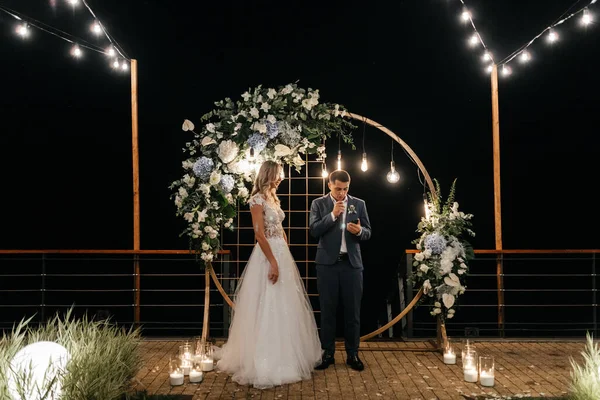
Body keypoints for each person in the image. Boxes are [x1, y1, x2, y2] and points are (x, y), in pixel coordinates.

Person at [217, 160, 321, 389]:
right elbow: (259, 235)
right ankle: (265, 359)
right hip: (267, 256)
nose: (281, 178)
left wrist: (285, 250)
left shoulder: (273, 198)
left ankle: (287, 354)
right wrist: (273, 262)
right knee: (267, 302)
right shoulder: (257, 200)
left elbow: (279, 229)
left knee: (287, 303)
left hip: (281, 253)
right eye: (278, 174)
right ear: (268, 175)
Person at [309, 169, 372, 371]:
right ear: (329, 185)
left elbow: (369, 232)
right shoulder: (318, 204)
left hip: (352, 265)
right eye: (337, 189)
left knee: (352, 312)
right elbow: (314, 231)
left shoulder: (359, 203)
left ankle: (353, 354)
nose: (341, 193)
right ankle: (328, 354)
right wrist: (333, 215)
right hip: (327, 265)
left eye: (345, 189)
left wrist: (360, 231)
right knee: (328, 311)